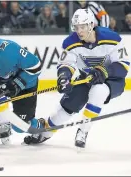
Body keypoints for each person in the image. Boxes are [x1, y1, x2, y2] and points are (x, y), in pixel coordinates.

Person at [24, 9, 130, 148]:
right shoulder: (70, 42)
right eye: (76, 27)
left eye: (83, 27)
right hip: (87, 78)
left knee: (99, 90)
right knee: (67, 108)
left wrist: (104, 71)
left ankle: (83, 130)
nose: (79, 31)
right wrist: (64, 78)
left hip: (112, 80)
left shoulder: (112, 38)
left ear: (91, 25)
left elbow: (123, 66)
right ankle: (45, 133)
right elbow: (66, 64)